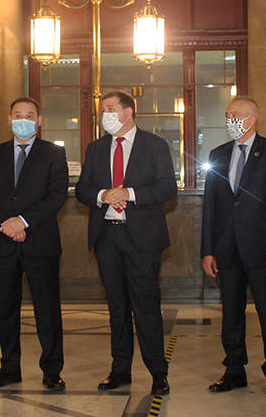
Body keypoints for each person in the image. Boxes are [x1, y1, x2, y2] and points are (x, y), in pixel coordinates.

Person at [75, 91, 177, 397]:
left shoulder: (155, 145)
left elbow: (166, 188)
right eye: (102, 109)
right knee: (116, 307)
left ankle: (158, 372)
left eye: (110, 108)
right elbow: (82, 189)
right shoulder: (96, 148)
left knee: (146, 305)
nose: (104, 113)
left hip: (142, 239)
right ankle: (120, 370)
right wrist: (101, 195)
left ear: (128, 111)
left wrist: (128, 193)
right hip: (107, 237)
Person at [200, 96, 266, 397]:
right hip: (227, 250)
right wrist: (207, 250)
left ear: (252, 118)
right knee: (231, 313)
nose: (229, 119)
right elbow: (211, 207)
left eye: (235, 114)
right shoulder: (218, 154)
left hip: (264, 251)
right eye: (227, 114)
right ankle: (234, 370)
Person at [0, 97, 68, 391]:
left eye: (30, 115)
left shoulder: (53, 153)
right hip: (3, 243)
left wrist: (23, 221)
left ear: (39, 120)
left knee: (47, 309)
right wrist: (6, 223)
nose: (23, 120)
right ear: (9, 119)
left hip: (40, 242)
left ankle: (52, 370)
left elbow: (56, 195)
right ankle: (9, 367)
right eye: (18, 115)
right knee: (5, 308)